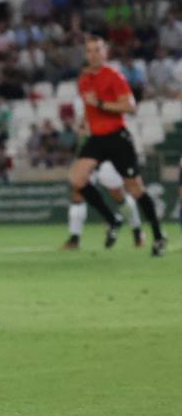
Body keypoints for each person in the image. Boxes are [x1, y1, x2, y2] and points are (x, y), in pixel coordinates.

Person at [64, 35, 166, 256]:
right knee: (76, 179)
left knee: (135, 188)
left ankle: (158, 236)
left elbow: (130, 106)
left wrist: (99, 103)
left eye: (97, 50)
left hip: (117, 137)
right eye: (89, 51)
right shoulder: (83, 79)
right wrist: (84, 124)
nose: (93, 54)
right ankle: (113, 219)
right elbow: (89, 111)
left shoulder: (114, 76)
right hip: (97, 138)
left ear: (105, 52)